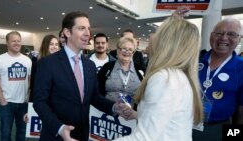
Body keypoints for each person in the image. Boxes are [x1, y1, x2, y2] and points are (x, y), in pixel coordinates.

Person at [33, 11, 131, 141]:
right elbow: (39, 102)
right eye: (81, 28)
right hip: (55, 135)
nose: (87, 33)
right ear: (67, 32)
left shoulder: (89, 65)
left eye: (88, 29)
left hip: (82, 135)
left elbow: (94, 97)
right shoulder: (48, 63)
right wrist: (60, 128)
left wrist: (114, 107)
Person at [112, 8, 203, 141]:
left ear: (166, 42)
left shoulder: (165, 78)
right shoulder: (177, 76)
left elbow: (144, 138)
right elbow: (166, 121)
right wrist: (137, 115)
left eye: (158, 34)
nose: (153, 39)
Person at [193, 18, 243, 141]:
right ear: (211, 36)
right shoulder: (193, 59)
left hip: (217, 130)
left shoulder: (241, 68)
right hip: (182, 124)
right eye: (219, 33)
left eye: (231, 34)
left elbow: (242, 112)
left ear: (239, 39)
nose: (224, 38)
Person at [0, 31, 32, 141]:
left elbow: (29, 80)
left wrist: (28, 97)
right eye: (13, 41)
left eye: (18, 41)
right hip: (7, 103)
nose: (16, 43)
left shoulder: (27, 60)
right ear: (7, 43)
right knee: (5, 133)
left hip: (23, 103)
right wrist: (1, 99)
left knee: (22, 132)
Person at [97, 37, 144, 109]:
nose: (127, 51)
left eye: (130, 50)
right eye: (124, 48)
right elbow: (97, 90)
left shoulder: (139, 70)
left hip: (130, 116)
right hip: (107, 114)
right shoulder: (107, 67)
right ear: (118, 50)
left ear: (133, 53)